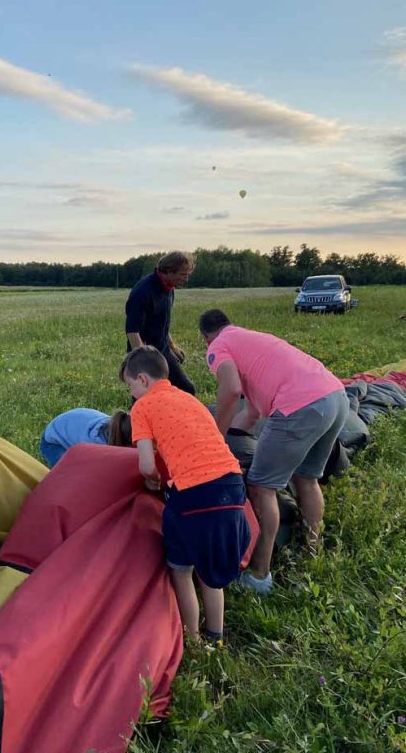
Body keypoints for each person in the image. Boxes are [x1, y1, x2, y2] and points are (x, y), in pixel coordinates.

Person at [198, 308, 349, 595]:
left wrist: (214, 437)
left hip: (300, 406)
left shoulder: (219, 346)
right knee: (307, 478)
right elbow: (250, 416)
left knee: (261, 487)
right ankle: (311, 550)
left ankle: (259, 576)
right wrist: (231, 434)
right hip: (336, 396)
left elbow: (230, 391)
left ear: (207, 338)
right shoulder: (251, 340)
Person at [120, 346, 250, 643]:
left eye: (130, 386)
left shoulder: (142, 408)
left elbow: (146, 464)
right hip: (231, 484)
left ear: (142, 379)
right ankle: (215, 635)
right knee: (210, 571)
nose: (132, 394)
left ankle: (192, 639)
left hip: (193, 495)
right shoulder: (189, 399)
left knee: (182, 568)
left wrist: (154, 482)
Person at [125, 251, 196, 396]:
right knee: (144, 396)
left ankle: (175, 417)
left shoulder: (169, 288)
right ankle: (135, 418)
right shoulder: (142, 291)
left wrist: (172, 346)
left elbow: (161, 321)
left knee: (186, 389)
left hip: (162, 350)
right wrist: (143, 361)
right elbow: (132, 331)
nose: (186, 279)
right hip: (144, 352)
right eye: (183, 274)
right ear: (169, 271)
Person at [39, 409, 132, 467]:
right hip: (52, 442)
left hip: (68, 423)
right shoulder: (95, 445)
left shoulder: (118, 424)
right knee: (69, 475)